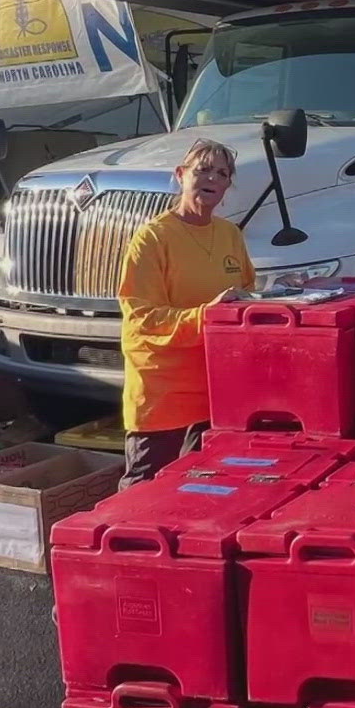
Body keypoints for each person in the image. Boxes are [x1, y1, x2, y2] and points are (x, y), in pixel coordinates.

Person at [116, 139, 255, 488]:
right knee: (145, 489)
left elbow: (246, 295)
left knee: (200, 486)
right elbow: (141, 318)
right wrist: (206, 315)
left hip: (214, 390)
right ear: (181, 175)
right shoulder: (152, 238)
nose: (211, 178)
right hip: (163, 391)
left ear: (227, 187)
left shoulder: (229, 234)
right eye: (202, 169)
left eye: (221, 173)